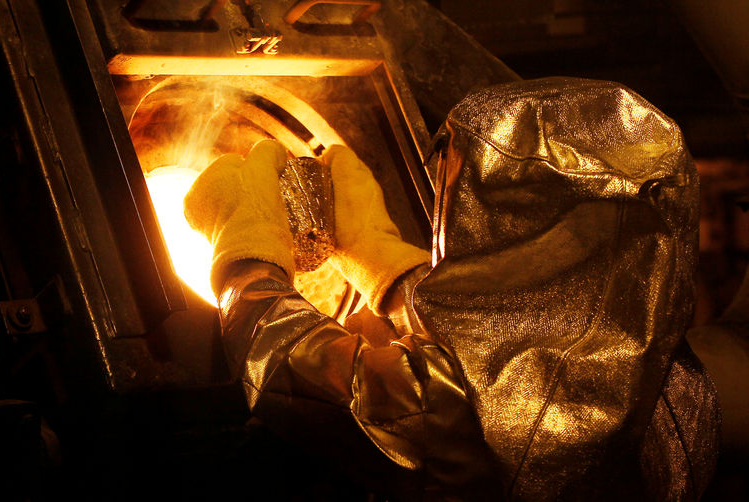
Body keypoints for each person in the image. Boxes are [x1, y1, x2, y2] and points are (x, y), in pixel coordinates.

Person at [183, 77, 720, 501]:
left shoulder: (460, 409)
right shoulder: (664, 369)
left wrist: (246, 253)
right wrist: (387, 266)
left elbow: (292, 370)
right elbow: (518, 318)